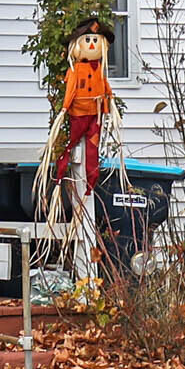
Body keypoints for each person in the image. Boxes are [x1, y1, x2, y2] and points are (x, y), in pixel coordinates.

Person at [47, 17, 121, 286]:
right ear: (78, 46)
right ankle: (61, 176)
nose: (91, 43)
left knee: (91, 153)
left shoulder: (100, 71)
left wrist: (109, 105)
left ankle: (90, 181)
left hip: (96, 118)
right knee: (72, 148)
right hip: (79, 115)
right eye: (87, 40)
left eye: (95, 40)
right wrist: (64, 110)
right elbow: (70, 92)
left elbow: (107, 90)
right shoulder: (76, 71)